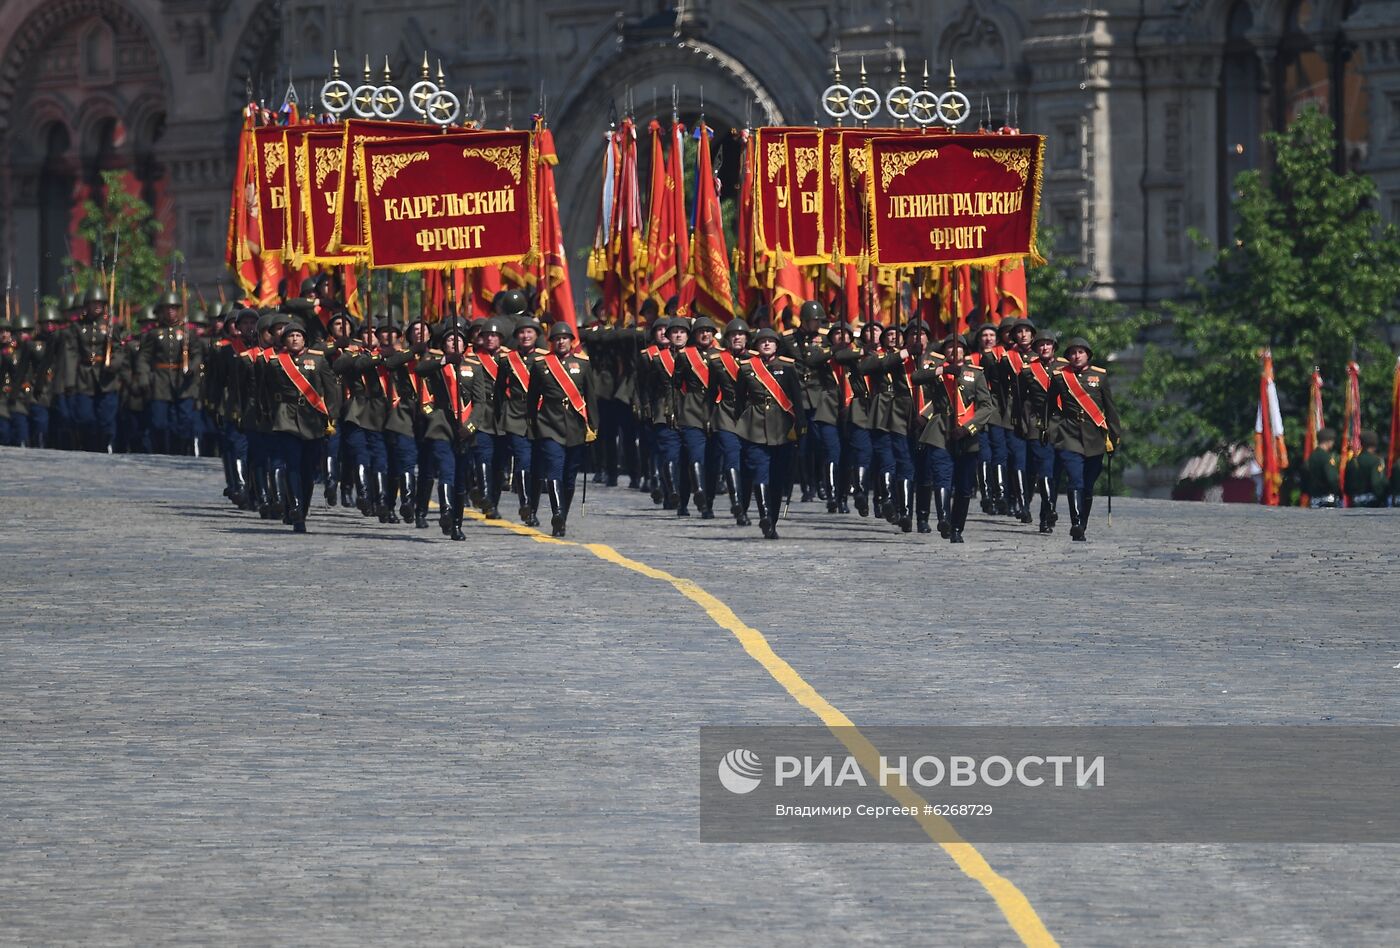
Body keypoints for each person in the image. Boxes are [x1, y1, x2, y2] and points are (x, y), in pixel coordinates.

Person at [261, 318, 339, 533]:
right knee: (292, 464)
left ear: (304, 339)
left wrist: (330, 416)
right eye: (290, 336)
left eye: (298, 335)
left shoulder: (319, 360)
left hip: (312, 419)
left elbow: (331, 390)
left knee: (308, 469)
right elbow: (264, 390)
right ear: (284, 340)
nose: (294, 338)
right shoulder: (276, 362)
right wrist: (268, 413)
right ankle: (295, 507)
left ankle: (301, 509)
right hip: (285, 417)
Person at [913, 334, 992, 543]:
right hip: (940, 430)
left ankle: (957, 527)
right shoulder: (937, 371)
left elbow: (986, 407)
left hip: (967, 435)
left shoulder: (975, 375)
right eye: (949, 347)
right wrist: (943, 370)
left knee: (964, 486)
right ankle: (944, 518)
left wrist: (968, 428)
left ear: (964, 351)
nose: (953, 351)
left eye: (957, 348)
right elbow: (916, 377)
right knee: (941, 476)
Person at [1046, 336, 1123, 541]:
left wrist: (1114, 437)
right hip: (1069, 435)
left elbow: (1110, 409)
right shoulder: (1060, 376)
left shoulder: (1100, 376)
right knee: (1075, 480)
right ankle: (1076, 523)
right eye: (1072, 352)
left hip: (1095, 437)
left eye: (1080, 352)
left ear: (1088, 355)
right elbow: (1049, 406)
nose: (1076, 355)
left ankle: (1083, 524)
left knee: (1087, 485)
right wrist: (1053, 429)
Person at [528, 321, 597, 537]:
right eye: (557, 338)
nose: (561, 341)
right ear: (551, 342)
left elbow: (591, 398)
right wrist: (532, 424)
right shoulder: (541, 365)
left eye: (565, 338)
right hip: (550, 424)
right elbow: (532, 399)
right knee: (554, 470)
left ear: (571, 341)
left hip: (575, 427)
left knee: (569, 477)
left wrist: (593, 426)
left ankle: (562, 519)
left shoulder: (583, 365)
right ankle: (556, 512)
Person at [736, 327, 804, 539]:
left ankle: (772, 522)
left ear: (776, 345)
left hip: (782, 428)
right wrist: (741, 423)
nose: (766, 344)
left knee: (777, 478)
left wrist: (800, 426)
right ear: (756, 345)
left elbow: (797, 399)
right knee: (760, 472)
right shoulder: (747, 368)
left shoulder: (788, 367)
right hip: (755, 426)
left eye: (770, 341)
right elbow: (739, 400)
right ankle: (764, 515)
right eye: (762, 341)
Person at [415, 317, 477, 539]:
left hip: (464, 430)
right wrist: (444, 362)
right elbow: (420, 369)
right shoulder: (436, 365)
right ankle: (446, 512)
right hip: (441, 426)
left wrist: (470, 425)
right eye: (449, 340)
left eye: (458, 340)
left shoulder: (474, 367)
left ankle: (457, 524)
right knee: (446, 471)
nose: (454, 343)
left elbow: (481, 404)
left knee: (460, 479)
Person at [138, 291, 208, 455]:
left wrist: (192, 366)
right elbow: (144, 357)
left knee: (183, 421)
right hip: (161, 382)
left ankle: (181, 451)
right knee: (159, 422)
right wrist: (144, 376)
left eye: (174, 308)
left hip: (183, 381)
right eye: (167, 308)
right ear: (161, 311)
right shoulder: (154, 334)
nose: (170, 312)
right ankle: (160, 451)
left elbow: (197, 354)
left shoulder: (187, 333)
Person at [674, 315, 718, 518]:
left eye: (709, 331)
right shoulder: (685, 356)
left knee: (712, 461)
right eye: (701, 331)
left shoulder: (721, 356)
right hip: (692, 410)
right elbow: (675, 386)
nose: (705, 334)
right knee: (694, 455)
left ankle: (708, 503)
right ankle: (697, 493)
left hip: (716, 413)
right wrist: (673, 410)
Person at [709, 318, 752, 525]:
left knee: (748, 464)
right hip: (726, 414)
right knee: (731, 456)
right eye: (733, 335)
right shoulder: (717, 361)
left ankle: (744, 506)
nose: (737, 337)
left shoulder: (755, 361)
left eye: (741, 334)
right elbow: (710, 392)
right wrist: (708, 417)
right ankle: (736, 503)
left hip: (750, 417)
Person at [1018, 328, 1061, 533]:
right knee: (1044, 469)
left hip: (1061, 425)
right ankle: (1049, 510)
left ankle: (1046, 517)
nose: (1044, 347)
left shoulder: (1065, 369)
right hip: (1038, 424)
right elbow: (1021, 400)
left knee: (1056, 474)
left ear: (1054, 347)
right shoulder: (1028, 371)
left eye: (1048, 344)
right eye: (1040, 345)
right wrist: (1024, 424)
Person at [1343, 430, 1387, 508]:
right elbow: (1376, 483)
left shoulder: (1352, 461)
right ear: (1374, 444)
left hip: (1354, 502)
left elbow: (1347, 485)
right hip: (1372, 503)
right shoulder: (1375, 461)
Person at [1304, 427, 1340, 508]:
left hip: (1314, 498)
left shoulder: (1312, 457)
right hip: (1327, 498)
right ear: (1328, 441)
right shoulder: (1326, 458)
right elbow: (1332, 479)